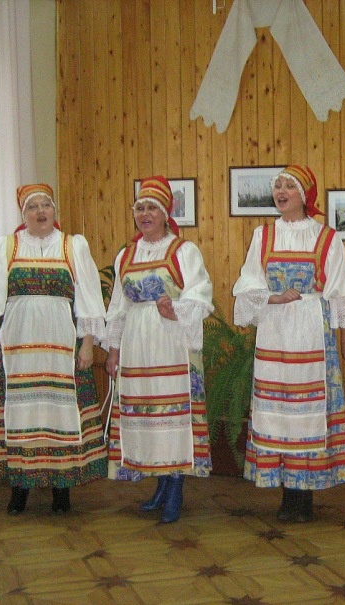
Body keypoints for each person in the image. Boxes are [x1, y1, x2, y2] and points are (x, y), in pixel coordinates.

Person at [0, 183, 108, 515]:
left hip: (61, 349)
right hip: (16, 350)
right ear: (24, 214)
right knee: (22, 416)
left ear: (54, 211)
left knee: (59, 415)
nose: (40, 211)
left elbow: (89, 300)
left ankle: (62, 491)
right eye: (33, 207)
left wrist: (87, 345)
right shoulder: (6, 247)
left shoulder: (73, 246)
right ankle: (19, 490)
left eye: (46, 205)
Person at [232, 164, 345, 523]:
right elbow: (248, 284)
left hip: (312, 331)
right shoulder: (263, 235)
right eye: (279, 186)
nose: (281, 192)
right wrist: (272, 298)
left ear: (304, 195)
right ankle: (287, 491)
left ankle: (304, 494)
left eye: (289, 186)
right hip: (275, 331)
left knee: (308, 413)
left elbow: (340, 293)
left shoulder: (327, 237)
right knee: (279, 411)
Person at [104, 176, 213, 524]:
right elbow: (118, 306)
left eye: (152, 208)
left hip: (171, 341)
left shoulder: (183, 251)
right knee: (147, 414)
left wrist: (176, 309)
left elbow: (201, 293)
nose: (145, 214)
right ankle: (160, 485)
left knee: (173, 412)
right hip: (137, 341)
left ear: (166, 214)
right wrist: (113, 350)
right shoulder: (126, 254)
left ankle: (176, 483)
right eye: (140, 208)